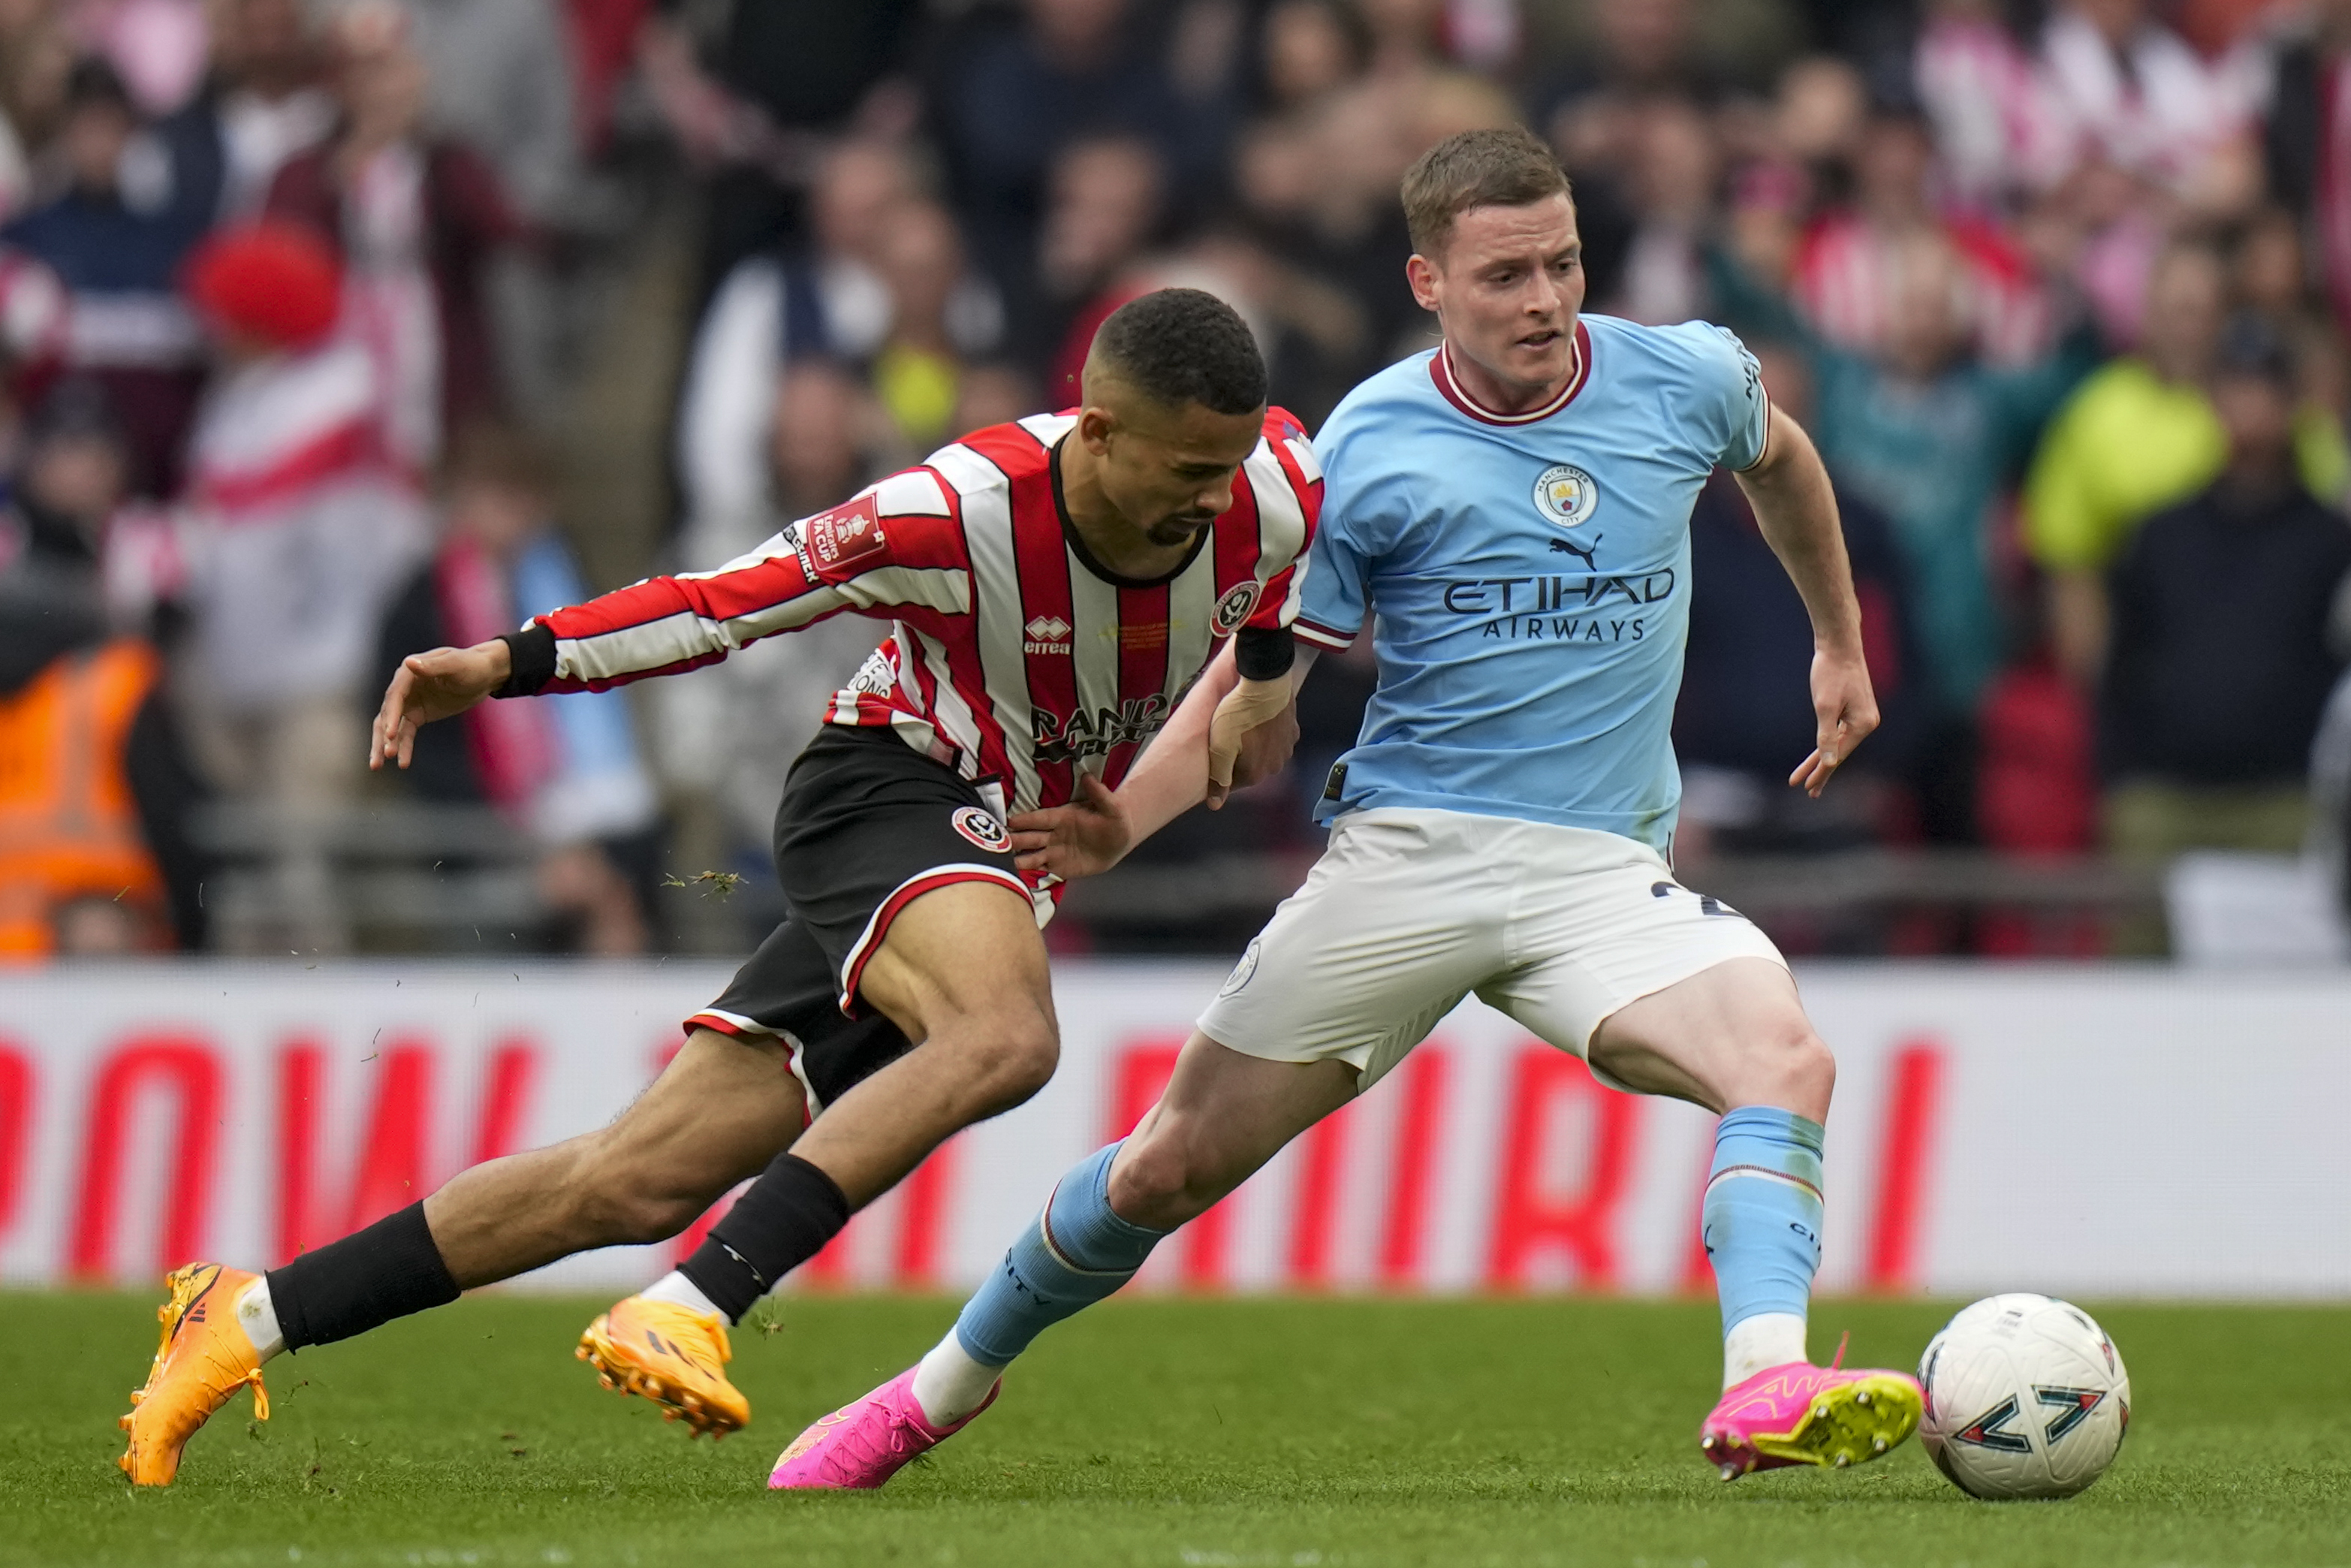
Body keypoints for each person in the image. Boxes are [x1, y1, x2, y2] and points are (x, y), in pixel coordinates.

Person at [765, 126, 1921, 1492]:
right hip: (1410, 860)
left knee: (1784, 1061)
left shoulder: (1684, 374)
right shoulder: (1361, 448)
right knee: (1162, 1171)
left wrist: (1834, 641)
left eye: (1561, 263)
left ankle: (1762, 1381)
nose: (1544, 299)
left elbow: (1777, 455)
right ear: (1428, 281)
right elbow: (1251, 678)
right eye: (1504, 276)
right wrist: (1118, 826)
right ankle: (928, 1393)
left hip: (1603, 870)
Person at [113, 286, 1320, 1485]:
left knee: (636, 1175)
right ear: (1097, 432)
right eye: (1185, 472)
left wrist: (1263, 686)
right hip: (882, 794)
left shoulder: (1273, 485)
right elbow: (714, 607)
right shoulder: (950, 513)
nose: (1213, 498)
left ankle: (247, 1314)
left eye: (1227, 467)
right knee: (1006, 1033)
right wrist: (503, 660)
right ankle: (698, 1299)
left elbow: (1276, 581)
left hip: (983, 851)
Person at [2099, 319, 2351, 870]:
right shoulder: (2159, 534)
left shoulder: (2330, 541)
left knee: (2288, 957)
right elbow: (2119, 666)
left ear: (2292, 404)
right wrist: (2119, 780)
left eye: (2263, 387)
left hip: (2286, 803)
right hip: (2163, 800)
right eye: (2233, 387)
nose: (2248, 404)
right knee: (2139, 952)